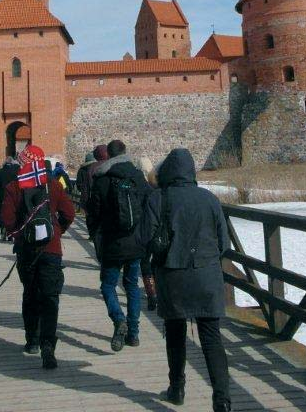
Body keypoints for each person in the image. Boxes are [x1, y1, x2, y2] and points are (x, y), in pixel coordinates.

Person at [144, 148, 232, 411]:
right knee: (212, 338)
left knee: (175, 333)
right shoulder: (210, 199)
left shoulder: (158, 199)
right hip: (206, 277)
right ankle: (222, 399)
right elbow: (224, 244)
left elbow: (145, 239)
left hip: (173, 277)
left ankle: (177, 388)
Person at [0, 144, 75, 370]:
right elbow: (69, 213)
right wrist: (56, 231)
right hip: (51, 250)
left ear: (24, 162)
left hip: (27, 251)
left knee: (30, 294)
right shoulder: (51, 185)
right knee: (50, 298)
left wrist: (19, 236)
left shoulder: (14, 186)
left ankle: (32, 340)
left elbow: (6, 219)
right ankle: (48, 344)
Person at [89, 139, 150, 352]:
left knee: (108, 286)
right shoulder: (138, 177)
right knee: (132, 286)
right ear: (125, 153)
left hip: (111, 244)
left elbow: (93, 213)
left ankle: (118, 320)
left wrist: (94, 235)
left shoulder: (102, 179)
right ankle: (133, 333)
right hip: (135, 243)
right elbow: (149, 205)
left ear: (108, 156)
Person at [136, 155, 159, 312]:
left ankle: (151, 295)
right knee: (156, 261)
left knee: (144, 263)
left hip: (141, 229)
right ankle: (158, 292)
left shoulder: (136, 183)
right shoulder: (155, 185)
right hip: (156, 229)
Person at [0, 157, 19, 235]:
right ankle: (11, 231)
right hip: (14, 198)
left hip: (2, 198)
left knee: (1, 214)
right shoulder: (17, 172)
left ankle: (3, 227)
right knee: (14, 213)